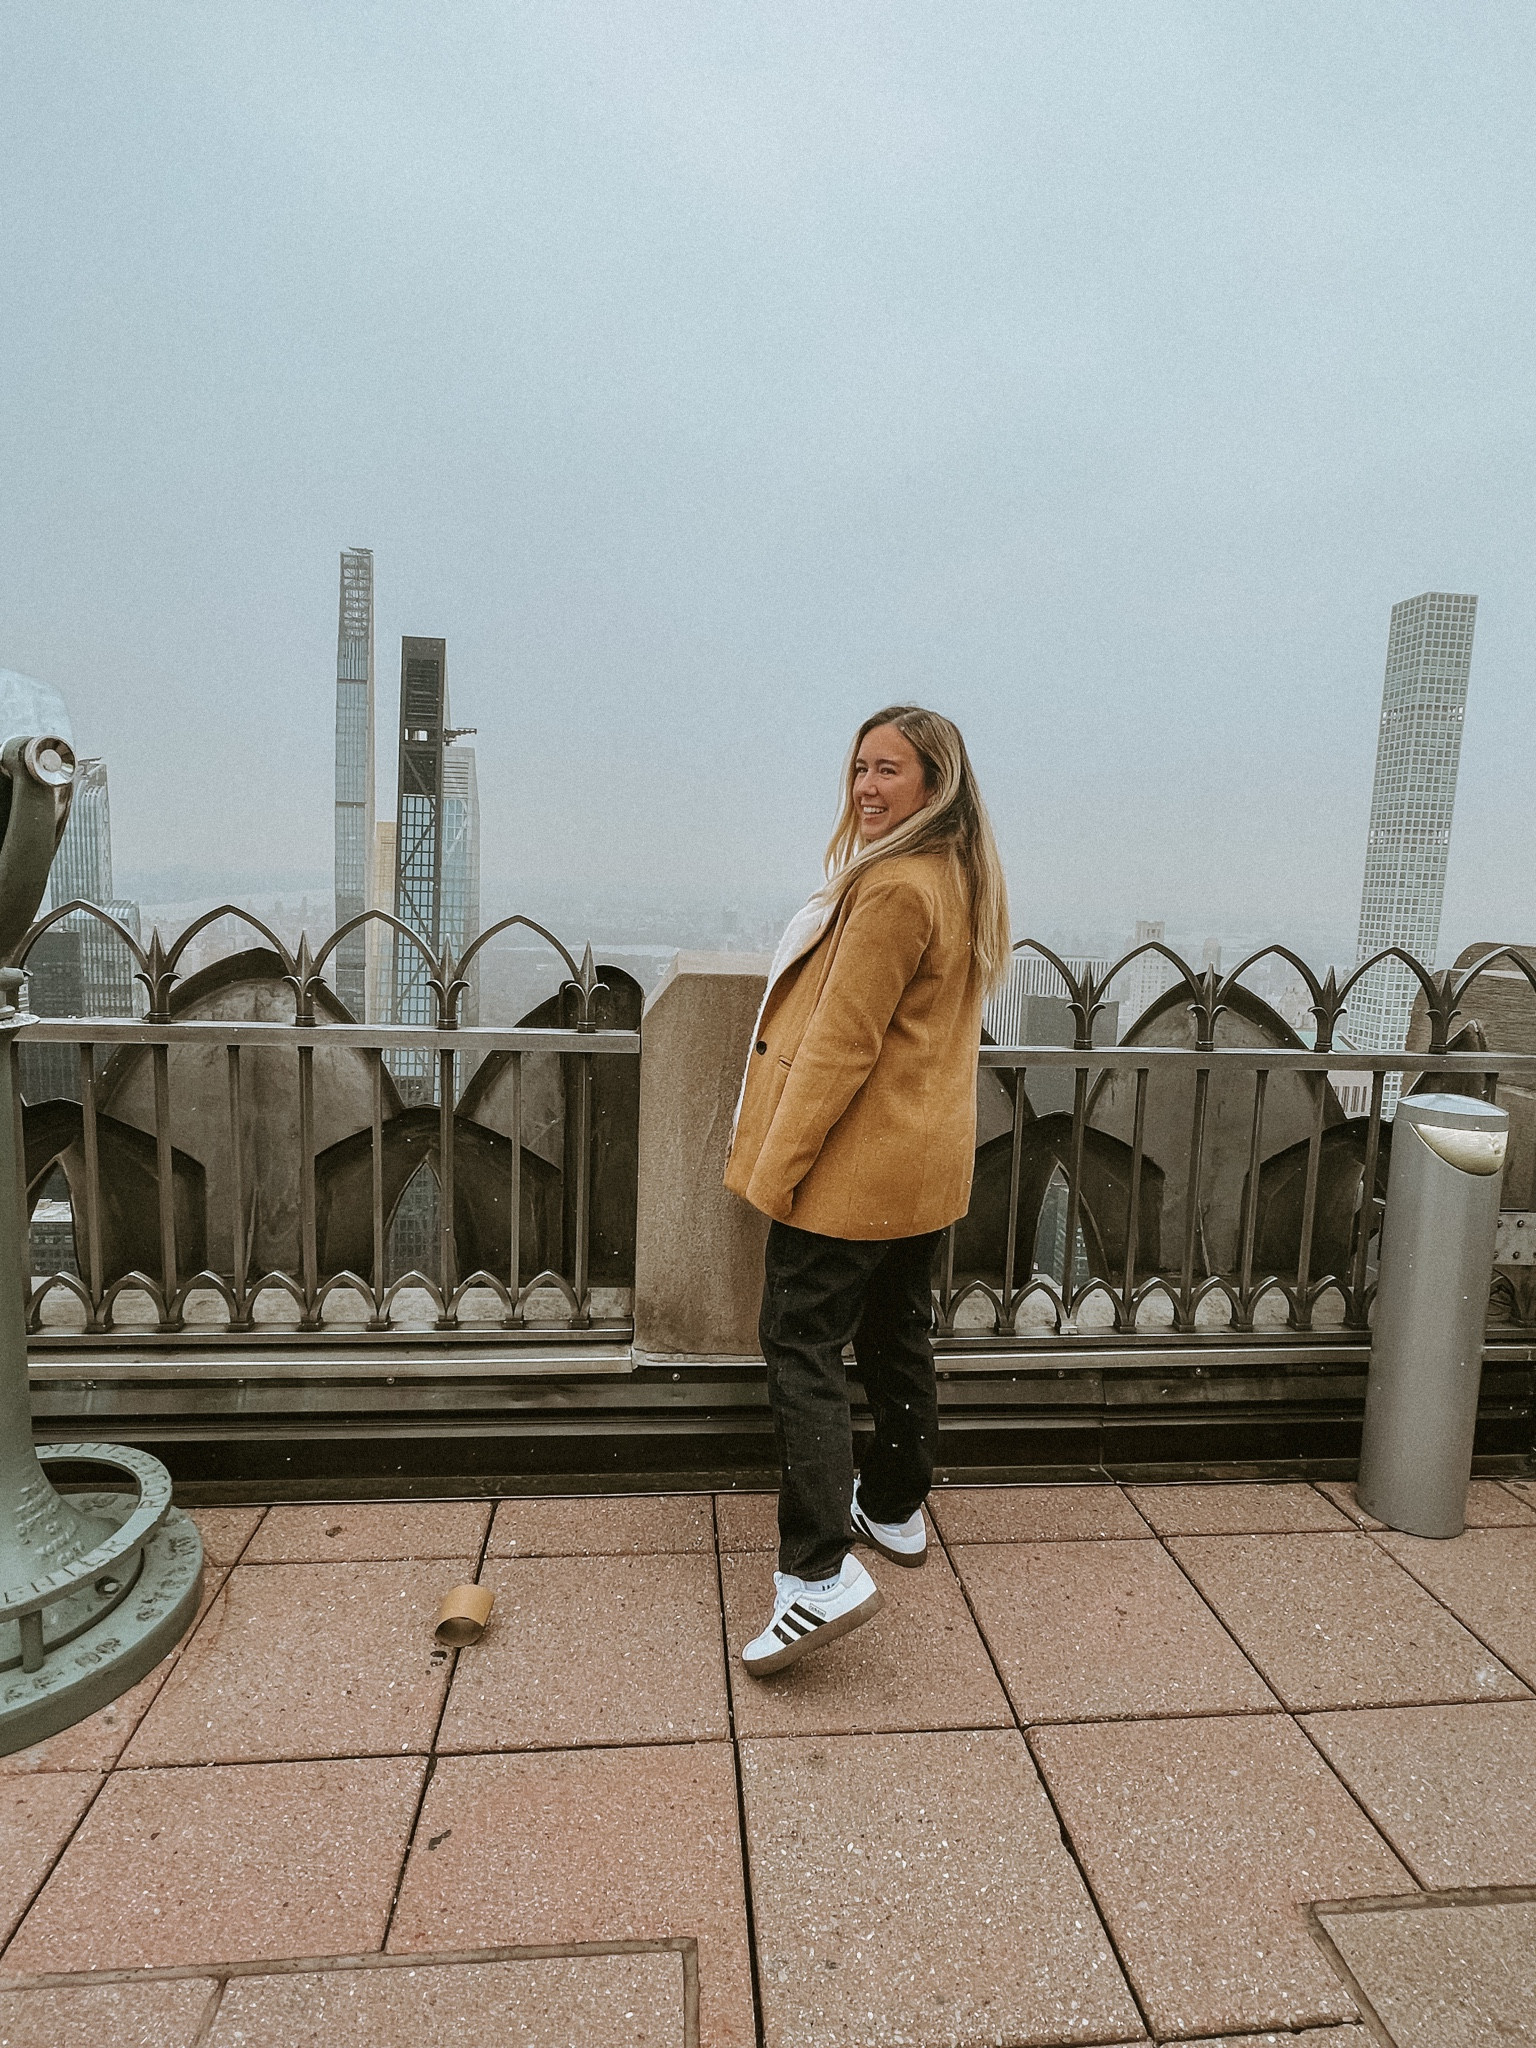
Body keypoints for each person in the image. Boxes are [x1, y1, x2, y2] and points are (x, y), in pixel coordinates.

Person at [724, 705, 1011, 1675]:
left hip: (854, 1171)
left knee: (797, 1341)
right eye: (858, 769)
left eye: (888, 769)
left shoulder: (891, 886)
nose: (866, 788)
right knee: (897, 1333)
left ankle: (815, 1572)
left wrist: (774, 1168)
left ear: (935, 781)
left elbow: (839, 1047)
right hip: (924, 1170)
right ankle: (892, 1501)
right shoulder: (961, 876)